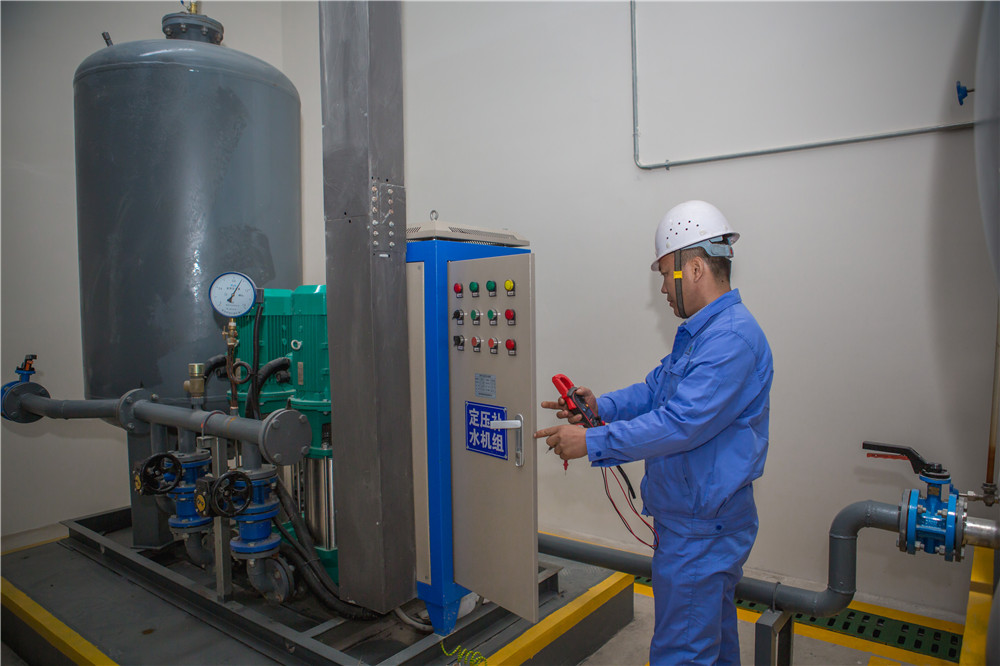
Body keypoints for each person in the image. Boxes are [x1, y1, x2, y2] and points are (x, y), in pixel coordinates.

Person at [534, 200, 773, 665]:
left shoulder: (730, 340)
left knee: (682, 654)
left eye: (665, 274)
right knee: (712, 645)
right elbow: (655, 391)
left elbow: (679, 423)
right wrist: (600, 407)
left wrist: (591, 442)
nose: (662, 287)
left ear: (695, 268)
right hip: (695, 523)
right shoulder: (705, 334)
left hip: (700, 531)